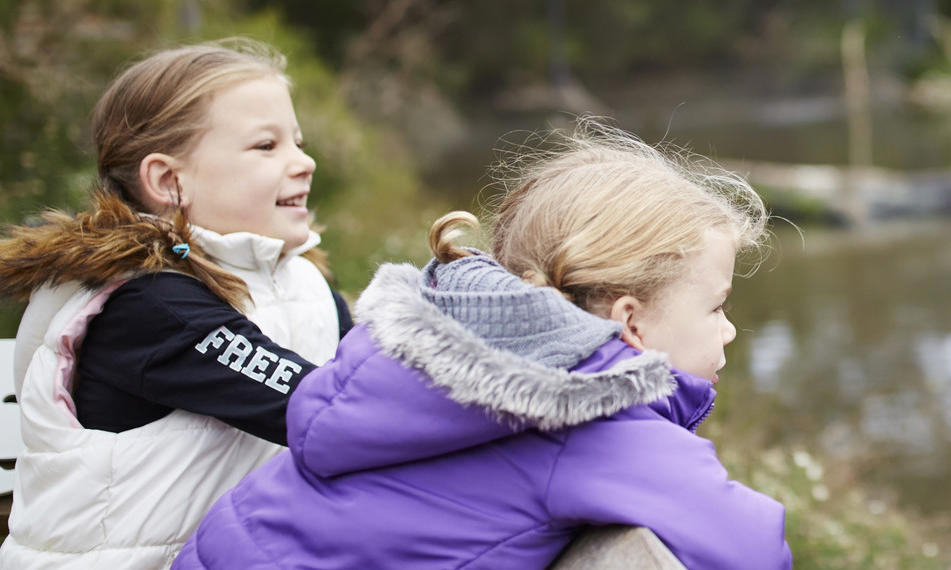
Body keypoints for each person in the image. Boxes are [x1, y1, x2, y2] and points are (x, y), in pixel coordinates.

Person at [174, 119, 791, 569]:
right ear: (631, 323)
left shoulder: (412, 355)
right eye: (717, 307)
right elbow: (752, 548)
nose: (729, 328)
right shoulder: (592, 419)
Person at [0, 39, 346, 569]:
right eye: (265, 146)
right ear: (168, 180)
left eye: (298, 142)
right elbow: (329, 414)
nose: (305, 162)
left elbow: (379, 380)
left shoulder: (303, 282)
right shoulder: (145, 301)